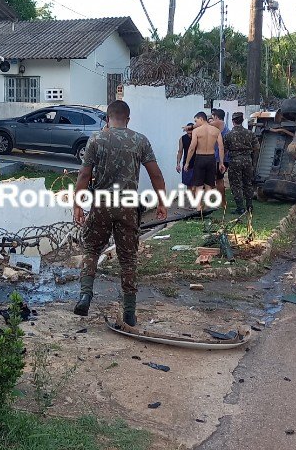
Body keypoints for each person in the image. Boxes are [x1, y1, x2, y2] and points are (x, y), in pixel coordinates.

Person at [73, 100, 167, 327]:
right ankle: (129, 312)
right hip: (127, 206)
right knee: (128, 258)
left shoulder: (96, 139)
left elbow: (84, 175)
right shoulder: (140, 140)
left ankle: (85, 295)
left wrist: (77, 203)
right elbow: (155, 174)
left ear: (107, 118)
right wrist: (162, 202)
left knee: (92, 249)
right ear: (128, 119)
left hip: (102, 204)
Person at [183, 112, 225, 204]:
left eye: (196, 121)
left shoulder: (196, 131)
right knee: (209, 184)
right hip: (211, 158)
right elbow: (221, 147)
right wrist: (221, 162)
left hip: (200, 158)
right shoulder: (216, 131)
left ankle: (198, 206)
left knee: (198, 185)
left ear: (201, 119)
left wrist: (187, 162)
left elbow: (192, 147)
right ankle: (207, 204)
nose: (195, 124)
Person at [223, 112, 260, 214]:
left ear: (233, 121)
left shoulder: (228, 135)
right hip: (247, 160)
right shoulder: (250, 133)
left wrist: (222, 162)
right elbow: (257, 147)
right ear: (242, 120)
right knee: (248, 183)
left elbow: (224, 150)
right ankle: (249, 206)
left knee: (236, 184)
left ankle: (240, 207)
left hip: (234, 160)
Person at [210, 108, 230, 202]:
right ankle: (222, 201)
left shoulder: (220, 125)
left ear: (217, 117)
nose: (212, 120)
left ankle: (221, 201)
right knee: (219, 180)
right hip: (223, 159)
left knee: (218, 180)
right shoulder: (225, 128)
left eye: (213, 118)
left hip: (219, 159)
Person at [175, 123, 195, 190]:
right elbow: (180, 151)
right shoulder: (182, 139)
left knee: (196, 186)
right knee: (188, 185)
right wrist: (178, 164)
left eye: (191, 133)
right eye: (188, 133)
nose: (190, 135)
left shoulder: (198, 138)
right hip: (187, 164)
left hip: (197, 163)